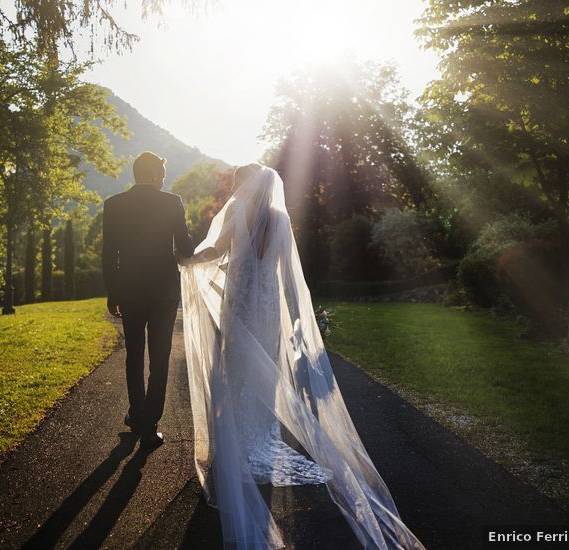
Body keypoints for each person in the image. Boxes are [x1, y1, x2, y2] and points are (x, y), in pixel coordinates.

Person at [178, 164, 426, 549]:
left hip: (240, 302)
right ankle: (254, 438)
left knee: (231, 371)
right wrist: (300, 316)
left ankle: (233, 449)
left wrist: (188, 261)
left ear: (246, 185)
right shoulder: (279, 218)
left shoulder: (235, 212)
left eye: (238, 183)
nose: (235, 188)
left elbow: (216, 250)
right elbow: (286, 272)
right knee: (264, 373)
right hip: (266, 306)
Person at [102, 151, 195, 446]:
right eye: (163, 175)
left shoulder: (114, 204)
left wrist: (113, 292)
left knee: (134, 356)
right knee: (159, 357)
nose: (164, 180)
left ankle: (136, 415)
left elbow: (109, 254)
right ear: (155, 175)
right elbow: (186, 247)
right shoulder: (172, 203)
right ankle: (150, 422)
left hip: (129, 290)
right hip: (164, 292)